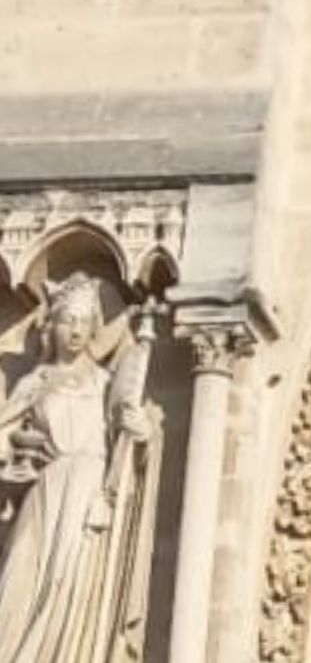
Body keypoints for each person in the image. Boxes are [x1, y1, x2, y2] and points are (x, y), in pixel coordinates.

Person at [0, 279, 157, 663]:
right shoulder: (32, 383)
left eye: (85, 321)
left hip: (87, 493)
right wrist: (18, 459)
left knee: (67, 582)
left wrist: (142, 434)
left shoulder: (105, 384)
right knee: (16, 580)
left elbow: (127, 442)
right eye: (68, 320)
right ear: (50, 326)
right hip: (45, 491)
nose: (75, 330)